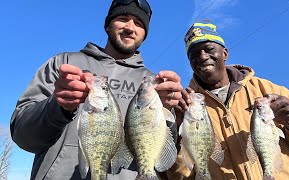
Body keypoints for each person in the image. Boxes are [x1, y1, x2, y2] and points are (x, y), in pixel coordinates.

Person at [10, 0, 183, 179]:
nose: (130, 28)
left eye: (138, 23)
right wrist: (58, 107)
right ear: (108, 25)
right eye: (123, 18)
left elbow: (163, 154)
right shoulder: (64, 64)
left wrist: (166, 112)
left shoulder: (155, 85)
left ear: (145, 33)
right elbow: (23, 136)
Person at [167, 20, 289, 179]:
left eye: (209, 49)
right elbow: (181, 176)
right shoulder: (185, 106)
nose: (202, 56)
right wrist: (175, 136)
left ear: (225, 53)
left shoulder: (267, 90)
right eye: (194, 55)